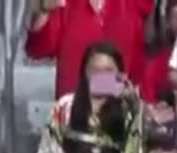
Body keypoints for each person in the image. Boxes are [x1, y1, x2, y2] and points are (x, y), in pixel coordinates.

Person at [24, 0, 155, 98]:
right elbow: (37, 50)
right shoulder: (67, 5)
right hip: (75, 114)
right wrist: (43, 11)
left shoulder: (132, 5)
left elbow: (144, 64)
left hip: (118, 113)